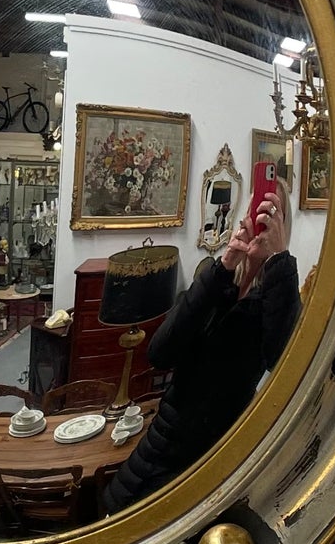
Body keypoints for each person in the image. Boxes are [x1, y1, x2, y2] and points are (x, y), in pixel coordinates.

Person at [101, 179, 300, 514]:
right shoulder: (216, 277)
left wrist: (279, 258)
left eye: (271, 212)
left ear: (282, 224)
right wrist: (224, 266)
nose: (260, 218)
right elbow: (160, 353)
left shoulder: (278, 294)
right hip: (161, 439)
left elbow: (281, 359)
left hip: (209, 451)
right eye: (256, 208)